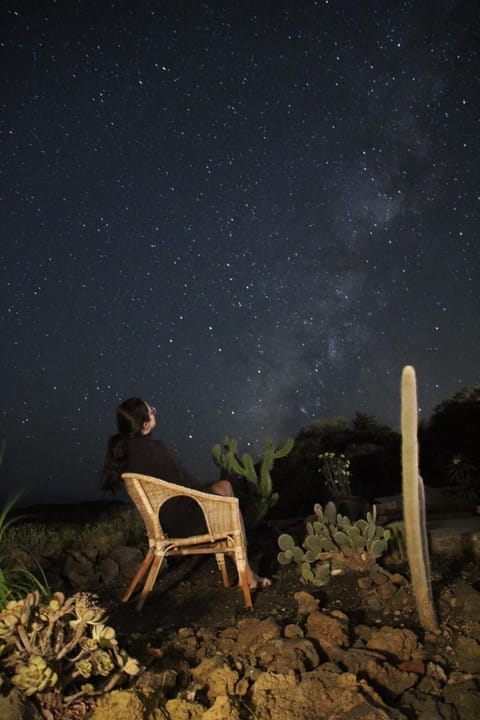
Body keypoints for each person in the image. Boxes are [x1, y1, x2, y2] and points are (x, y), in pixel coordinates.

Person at [102, 397, 271, 589]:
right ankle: (247, 575)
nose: (154, 412)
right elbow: (185, 483)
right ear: (145, 423)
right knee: (227, 501)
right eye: (151, 411)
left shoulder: (125, 452)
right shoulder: (154, 449)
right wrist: (210, 495)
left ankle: (246, 573)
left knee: (223, 487)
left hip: (164, 520)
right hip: (184, 520)